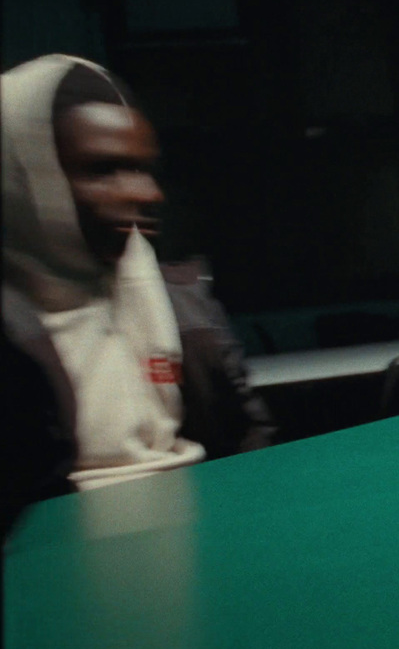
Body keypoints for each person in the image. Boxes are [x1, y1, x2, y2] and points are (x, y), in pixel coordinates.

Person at [2, 54, 274, 531]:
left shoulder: (177, 299)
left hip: (199, 535)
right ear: (23, 175)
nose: (148, 193)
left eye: (144, 168)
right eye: (103, 168)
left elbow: (248, 436)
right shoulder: (11, 324)